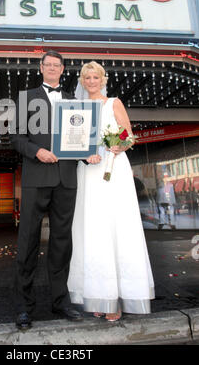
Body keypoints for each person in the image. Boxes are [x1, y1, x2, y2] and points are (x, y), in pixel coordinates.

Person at [68, 61, 155, 322]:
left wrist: (119, 146)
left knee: (116, 227)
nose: (92, 81)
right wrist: (83, 154)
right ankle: (97, 295)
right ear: (82, 82)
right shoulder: (77, 108)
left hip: (112, 169)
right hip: (88, 171)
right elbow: (72, 140)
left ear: (103, 80)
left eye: (96, 77)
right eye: (87, 78)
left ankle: (116, 298)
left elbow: (129, 134)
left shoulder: (114, 103)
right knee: (91, 230)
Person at [11, 50, 83, 330]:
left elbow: (80, 139)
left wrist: (87, 152)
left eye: (57, 65)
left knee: (62, 243)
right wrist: (36, 150)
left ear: (63, 69)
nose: (52, 68)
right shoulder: (25, 98)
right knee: (27, 242)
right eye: (48, 65)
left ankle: (60, 301)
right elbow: (16, 138)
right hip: (36, 177)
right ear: (40, 68)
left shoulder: (75, 102)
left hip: (66, 179)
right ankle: (23, 307)